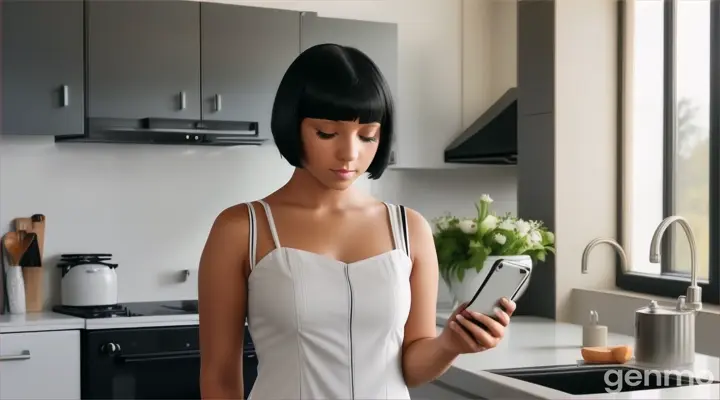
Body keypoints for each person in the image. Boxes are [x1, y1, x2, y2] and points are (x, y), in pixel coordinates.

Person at [198, 43, 517, 400]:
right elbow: (219, 378)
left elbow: (409, 367)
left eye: (367, 136)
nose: (350, 153)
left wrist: (451, 343)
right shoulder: (241, 229)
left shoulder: (410, 229)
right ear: (293, 124)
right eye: (326, 133)